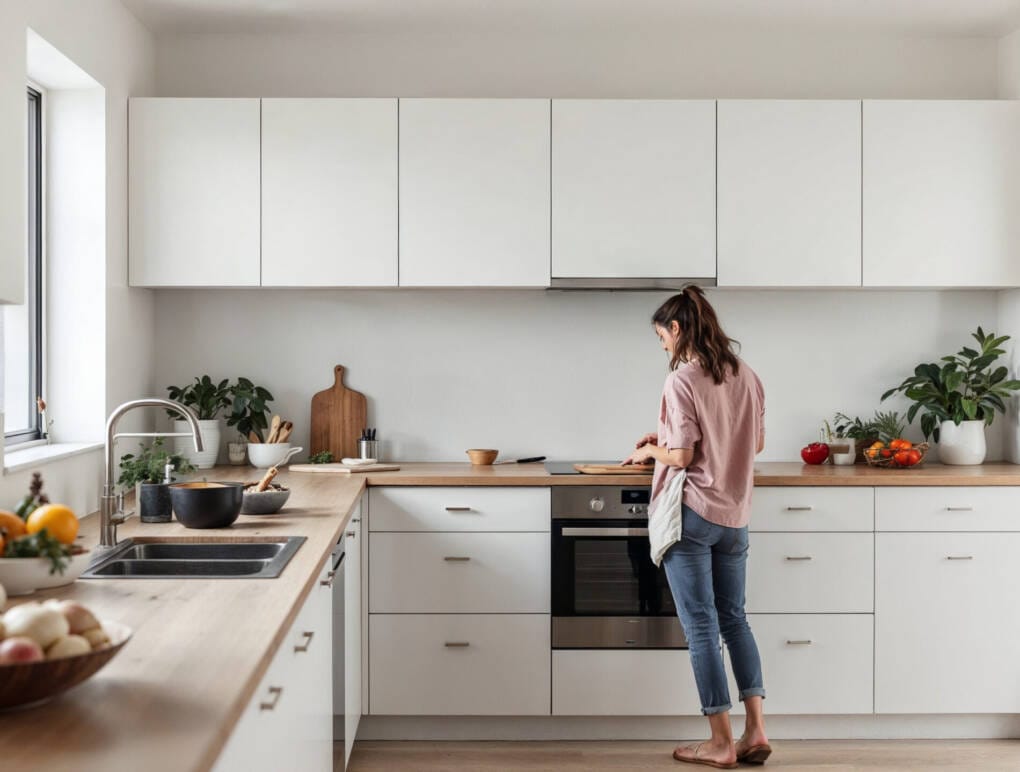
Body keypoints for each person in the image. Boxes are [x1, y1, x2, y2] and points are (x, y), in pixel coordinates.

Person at [622, 285, 771, 769]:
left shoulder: (682, 379)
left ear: (678, 328)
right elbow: (754, 443)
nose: (662, 345)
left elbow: (684, 456)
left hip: (694, 515)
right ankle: (756, 732)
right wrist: (665, 435)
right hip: (736, 518)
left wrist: (650, 450)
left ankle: (720, 742)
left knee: (702, 626)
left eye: (661, 336)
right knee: (736, 619)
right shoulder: (746, 374)